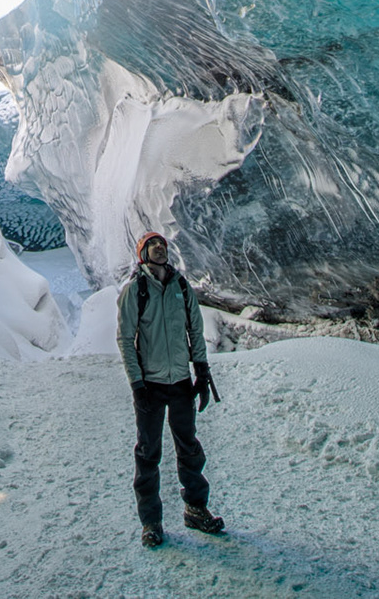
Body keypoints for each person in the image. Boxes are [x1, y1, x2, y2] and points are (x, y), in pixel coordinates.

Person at [116, 230, 224, 548]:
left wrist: (201, 372)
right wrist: (137, 384)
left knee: (189, 448)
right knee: (148, 454)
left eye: (162, 244)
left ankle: (196, 509)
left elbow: (195, 330)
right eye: (152, 245)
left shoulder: (180, 286)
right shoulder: (135, 290)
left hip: (179, 382)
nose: (159, 248)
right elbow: (125, 338)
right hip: (150, 384)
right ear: (142, 254)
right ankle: (151, 522)